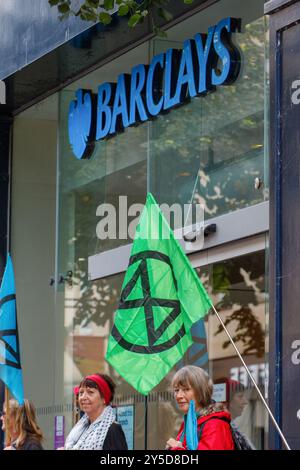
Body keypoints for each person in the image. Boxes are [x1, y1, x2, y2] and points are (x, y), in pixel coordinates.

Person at [166, 366, 234, 450]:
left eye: (186, 389)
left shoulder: (215, 425)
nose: (179, 396)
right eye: (176, 390)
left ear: (201, 391)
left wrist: (176, 449)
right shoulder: (189, 422)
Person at [63, 373, 128, 450]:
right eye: (81, 393)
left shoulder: (112, 429)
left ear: (104, 398)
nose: (83, 397)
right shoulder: (81, 427)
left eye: (90, 392)